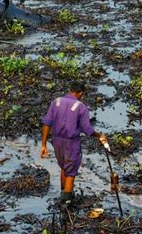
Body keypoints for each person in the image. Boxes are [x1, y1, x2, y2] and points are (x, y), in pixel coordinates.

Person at [40, 81, 109, 214]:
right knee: (71, 173)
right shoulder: (81, 107)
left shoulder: (56, 102)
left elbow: (46, 123)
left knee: (64, 168)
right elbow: (87, 129)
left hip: (56, 141)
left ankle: (63, 194)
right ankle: (65, 206)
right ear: (80, 93)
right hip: (71, 143)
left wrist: (43, 144)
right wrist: (99, 135)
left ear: (69, 89)